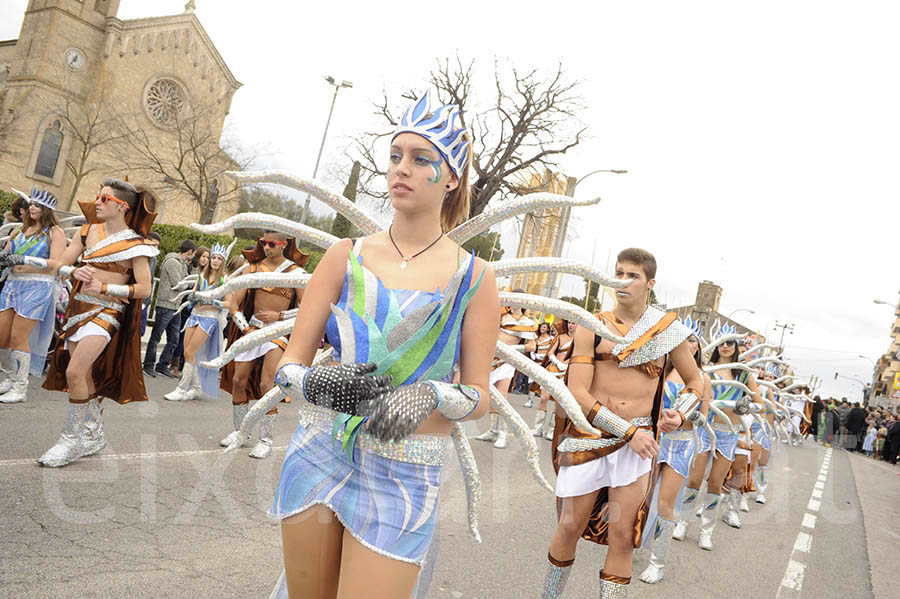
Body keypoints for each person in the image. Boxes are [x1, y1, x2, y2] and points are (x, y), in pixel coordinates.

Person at [266, 91, 499, 598]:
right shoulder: (343, 256)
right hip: (319, 451)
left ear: (452, 177)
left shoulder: (475, 278)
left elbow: (481, 398)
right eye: (396, 156)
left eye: (421, 159)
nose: (402, 169)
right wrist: (312, 381)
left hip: (405, 472)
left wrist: (432, 396)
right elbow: (287, 367)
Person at [541, 248, 703, 599]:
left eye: (632, 275)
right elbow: (578, 392)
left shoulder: (666, 331)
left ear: (650, 283)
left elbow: (696, 382)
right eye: (618, 272)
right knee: (569, 526)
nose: (622, 281)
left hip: (637, 448)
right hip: (590, 439)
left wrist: (681, 412)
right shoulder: (592, 324)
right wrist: (628, 432)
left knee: (623, 535)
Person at [36, 179, 158, 467]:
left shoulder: (136, 244)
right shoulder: (86, 230)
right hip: (79, 308)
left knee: (75, 372)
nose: (97, 202)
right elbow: (61, 265)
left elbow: (144, 288)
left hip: (108, 312)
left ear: (121, 206)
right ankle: (94, 432)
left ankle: (70, 439)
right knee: (84, 374)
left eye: (104, 199)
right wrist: (73, 272)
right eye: (98, 197)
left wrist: (105, 289)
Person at [218, 232, 306, 459]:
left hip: (278, 331)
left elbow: (307, 309)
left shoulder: (296, 273)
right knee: (238, 379)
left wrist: (280, 316)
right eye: (263, 243)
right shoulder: (252, 268)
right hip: (253, 329)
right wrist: (245, 328)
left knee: (268, 384)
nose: (266, 247)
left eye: (272, 244)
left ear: (284, 244)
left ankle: (265, 439)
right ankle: (240, 432)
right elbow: (234, 304)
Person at [639, 319, 711, 584]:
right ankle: (634, 541)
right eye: (684, 339)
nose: (688, 343)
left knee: (665, 502)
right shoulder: (660, 371)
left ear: (698, 347)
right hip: (654, 439)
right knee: (642, 497)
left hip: (682, 443)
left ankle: (657, 562)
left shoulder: (702, 378)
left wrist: (687, 414)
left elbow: (704, 419)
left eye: (693, 340)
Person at [0, 188, 66, 403]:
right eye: (31, 204)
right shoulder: (19, 230)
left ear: (47, 209)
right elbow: (8, 256)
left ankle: (20, 387)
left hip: (37, 287)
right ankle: (9, 378)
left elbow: (56, 263)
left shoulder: (54, 232)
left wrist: (24, 260)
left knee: (19, 337)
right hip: (12, 285)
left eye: (38, 205)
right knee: (2, 336)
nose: (32, 208)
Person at [163, 243, 228, 401]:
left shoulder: (225, 279)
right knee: (188, 353)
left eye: (219, 259)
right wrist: (193, 298)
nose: (215, 261)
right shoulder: (202, 276)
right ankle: (197, 388)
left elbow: (229, 304)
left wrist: (213, 301)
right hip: (194, 315)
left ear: (223, 262)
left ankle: (181, 389)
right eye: (213, 257)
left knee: (191, 352)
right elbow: (193, 293)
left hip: (209, 318)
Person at [474, 295, 536, 449]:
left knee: (502, 397)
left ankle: (502, 433)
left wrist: (512, 349)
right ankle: (492, 430)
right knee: (491, 396)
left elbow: (532, 346)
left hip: (507, 361)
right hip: (491, 357)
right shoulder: (501, 316)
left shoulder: (528, 323)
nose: (514, 302)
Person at [143, 239, 195, 378]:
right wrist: (187, 284)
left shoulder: (183, 264)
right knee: (156, 337)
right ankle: (148, 365)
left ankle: (162, 365)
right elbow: (179, 284)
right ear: (190, 252)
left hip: (176, 306)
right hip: (166, 304)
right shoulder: (172, 262)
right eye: (193, 254)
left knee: (174, 339)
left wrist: (188, 283)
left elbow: (186, 282)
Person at [532, 319, 574, 441]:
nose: (571, 325)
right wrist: (557, 363)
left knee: (558, 403)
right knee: (543, 398)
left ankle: (551, 430)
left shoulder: (581, 340)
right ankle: (538, 428)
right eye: (570, 323)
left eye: (573, 323)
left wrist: (568, 367)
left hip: (567, 373)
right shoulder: (561, 337)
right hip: (553, 369)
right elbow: (550, 352)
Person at [172, 246, 210, 376]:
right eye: (203, 256)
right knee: (181, 337)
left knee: (192, 342)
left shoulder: (210, 273)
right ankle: (175, 363)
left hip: (200, 310)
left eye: (207, 257)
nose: (205, 259)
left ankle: (183, 366)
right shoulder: (190, 268)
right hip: (186, 305)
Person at [527, 320, 554, 411]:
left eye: (544, 327)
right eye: (541, 327)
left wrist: (545, 357)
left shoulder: (551, 339)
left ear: (548, 329)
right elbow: (532, 348)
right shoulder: (536, 339)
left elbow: (552, 350)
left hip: (545, 362)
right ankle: (530, 400)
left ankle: (543, 401)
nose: (542, 329)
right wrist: (533, 355)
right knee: (531, 381)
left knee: (543, 382)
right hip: (535, 362)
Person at [140, 231, 162, 336]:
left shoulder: (154, 259)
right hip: (136, 298)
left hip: (145, 300)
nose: (156, 248)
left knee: (141, 331)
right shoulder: (139, 257)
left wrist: (147, 300)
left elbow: (151, 280)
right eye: (154, 245)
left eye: (157, 246)